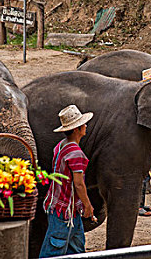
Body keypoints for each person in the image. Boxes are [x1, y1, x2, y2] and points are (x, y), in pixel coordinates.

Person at [39, 104, 95, 258]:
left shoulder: (60, 146)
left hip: (65, 208)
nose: (86, 126)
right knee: (54, 250)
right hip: (64, 211)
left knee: (76, 248)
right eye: (83, 124)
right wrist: (88, 205)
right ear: (77, 129)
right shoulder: (76, 154)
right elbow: (78, 184)